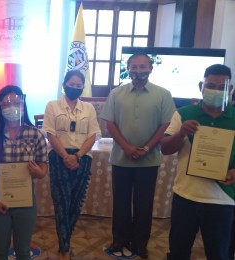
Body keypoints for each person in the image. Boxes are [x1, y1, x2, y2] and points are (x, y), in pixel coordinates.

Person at [99, 53, 175, 258]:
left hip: (149, 161)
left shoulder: (163, 94)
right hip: (121, 159)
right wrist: (126, 147)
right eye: (134, 67)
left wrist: (147, 147)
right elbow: (110, 123)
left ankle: (140, 243)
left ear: (150, 69)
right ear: (128, 68)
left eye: (143, 67)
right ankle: (119, 240)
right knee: (121, 203)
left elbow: (166, 124)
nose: (138, 71)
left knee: (144, 204)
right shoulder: (116, 93)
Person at [161, 64, 235, 260]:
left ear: (231, 89)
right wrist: (181, 133)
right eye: (211, 85)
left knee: (220, 254)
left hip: (223, 199)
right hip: (186, 195)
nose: (216, 91)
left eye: (222, 87)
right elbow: (165, 149)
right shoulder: (184, 113)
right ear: (201, 85)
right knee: (178, 251)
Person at [0, 85, 48, 260]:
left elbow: (43, 168)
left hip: (25, 204)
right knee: (0, 251)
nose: (12, 107)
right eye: (7, 104)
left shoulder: (35, 134)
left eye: (17, 102)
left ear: (23, 105)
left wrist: (38, 171)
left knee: (23, 251)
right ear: (0, 107)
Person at [42, 70, 101, 260]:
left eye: (78, 85)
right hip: (59, 158)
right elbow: (50, 134)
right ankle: (64, 248)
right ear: (64, 84)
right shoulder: (52, 105)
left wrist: (77, 156)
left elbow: (93, 135)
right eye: (71, 84)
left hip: (82, 158)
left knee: (75, 203)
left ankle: (65, 243)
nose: (75, 88)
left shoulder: (88, 109)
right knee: (62, 203)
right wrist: (66, 156)